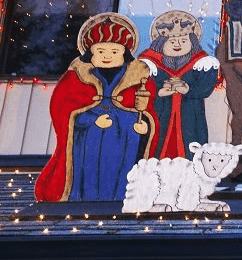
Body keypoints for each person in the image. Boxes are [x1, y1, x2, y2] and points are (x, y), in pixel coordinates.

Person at [35, 13, 159, 202]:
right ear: (90, 53)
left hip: (126, 141)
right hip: (87, 140)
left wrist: (146, 127)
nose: (108, 56)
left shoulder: (140, 79)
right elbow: (61, 109)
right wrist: (90, 119)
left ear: (124, 53)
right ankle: (85, 199)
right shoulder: (75, 78)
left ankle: (122, 199)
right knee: (89, 170)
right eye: (101, 51)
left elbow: (151, 111)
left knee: (122, 172)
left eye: (115, 51)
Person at [138, 10, 220, 159]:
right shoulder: (149, 64)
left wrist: (188, 89)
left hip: (191, 115)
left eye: (183, 41)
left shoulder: (201, 62)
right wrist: (159, 92)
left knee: (190, 145)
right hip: (160, 112)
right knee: (156, 146)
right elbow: (140, 87)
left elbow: (206, 87)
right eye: (172, 41)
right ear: (161, 43)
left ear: (192, 42)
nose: (177, 45)